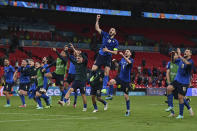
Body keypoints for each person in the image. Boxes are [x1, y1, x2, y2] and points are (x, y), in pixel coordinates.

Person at [91, 15, 119, 97]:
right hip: (101, 55)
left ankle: (104, 88)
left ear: (115, 33)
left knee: (106, 72)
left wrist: (108, 50)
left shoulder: (115, 42)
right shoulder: (105, 34)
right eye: (110, 29)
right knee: (93, 69)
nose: (111, 30)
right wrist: (97, 19)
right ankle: (95, 75)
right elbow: (97, 28)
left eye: (113, 30)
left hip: (108, 57)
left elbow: (116, 53)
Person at [166, 48, 194, 119]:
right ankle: (171, 106)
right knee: (168, 88)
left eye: (187, 51)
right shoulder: (180, 60)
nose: (185, 52)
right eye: (185, 51)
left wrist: (179, 55)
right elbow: (173, 60)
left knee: (180, 97)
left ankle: (181, 115)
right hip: (177, 80)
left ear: (190, 54)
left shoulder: (191, 61)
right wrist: (173, 55)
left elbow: (187, 63)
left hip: (184, 82)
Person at [60, 44, 88, 111]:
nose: (77, 59)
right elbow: (69, 57)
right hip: (76, 81)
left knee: (83, 95)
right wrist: (66, 51)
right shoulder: (75, 63)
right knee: (70, 90)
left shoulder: (84, 63)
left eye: (79, 58)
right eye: (77, 58)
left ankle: (85, 107)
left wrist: (81, 53)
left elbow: (86, 59)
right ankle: (63, 101)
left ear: (82, 59)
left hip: (82, 82)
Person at [108, 49, 134, 116]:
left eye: (128, 51)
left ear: (130, 54)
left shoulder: (131, 60)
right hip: (120, 78)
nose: (126, 52)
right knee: (111, 82)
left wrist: (123, 55)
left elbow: (129, 63)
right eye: (125, 51)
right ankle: (111, 95)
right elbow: (119, 66)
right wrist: (115, 62)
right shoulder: (122, 60)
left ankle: (128, 111)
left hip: (126, 81)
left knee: (126, 96)